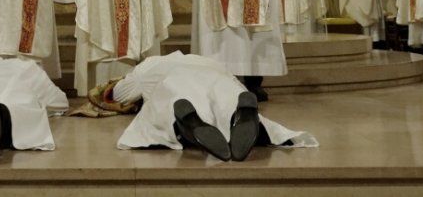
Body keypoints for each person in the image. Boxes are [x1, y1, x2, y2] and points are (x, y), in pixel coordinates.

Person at [106, 51, 317, 161]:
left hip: (174, 79)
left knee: (167, 105)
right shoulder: (208, 61)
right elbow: (234, 82)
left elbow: (122, 94)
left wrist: (116, 86)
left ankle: (187, 125)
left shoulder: (150, 65)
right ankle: (241, 114)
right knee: (227, 99)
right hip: (218, 77)